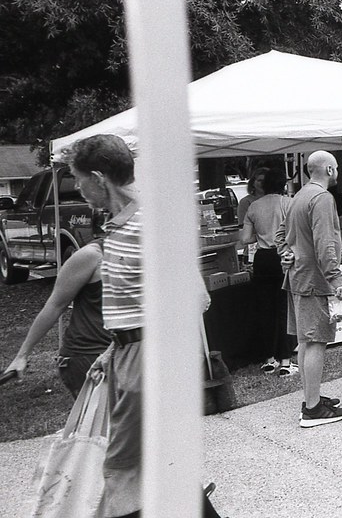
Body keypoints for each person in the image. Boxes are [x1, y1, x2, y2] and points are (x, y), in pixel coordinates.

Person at [68, 133, 216, 517]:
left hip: (146, 360)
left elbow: (197, 298)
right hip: (129, 354)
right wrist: (113, 348)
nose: (79, 190)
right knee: (161, 462)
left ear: (99, 178)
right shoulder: (121, 223)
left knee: (120, 472)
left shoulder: (151, 222)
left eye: (80, 180)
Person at [277, 151, 342, 428]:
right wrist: (336, 280)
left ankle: (312, 398)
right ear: (331, 170)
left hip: (299, 276)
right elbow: (325, 244)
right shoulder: (322, 198)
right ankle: (312, 409)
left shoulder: (298, 195)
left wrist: (286, 252)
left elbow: (280, 233)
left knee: (306, 341)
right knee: (316, 340)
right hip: (313, 279)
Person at [4, 240, 111, 397]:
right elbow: (55, 306)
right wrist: (22, 355)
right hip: (87, 356)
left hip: (120, 353)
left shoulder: (144, 257)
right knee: (100, 420)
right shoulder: (91, 256)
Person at [241, 167, 296, 377]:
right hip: (282, 256)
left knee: (265, 309)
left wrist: (261, 235)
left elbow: (245, 239)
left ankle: (269, 358)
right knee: (284, 307)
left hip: (262, 258)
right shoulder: (287, 203)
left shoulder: (253, 206)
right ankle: (286, 360)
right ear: (282, 183)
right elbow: (294, 232)